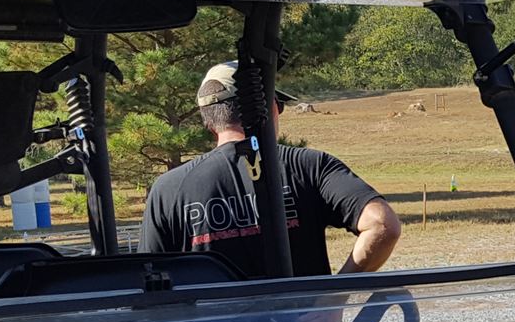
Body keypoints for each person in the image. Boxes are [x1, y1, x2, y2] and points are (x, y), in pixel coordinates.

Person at [140, 62, 403, 278]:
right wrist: (332, 299)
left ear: (208, 122)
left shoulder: (168, 189)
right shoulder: (308, 166)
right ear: (270, 108)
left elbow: (148, 276)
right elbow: (382, 224)